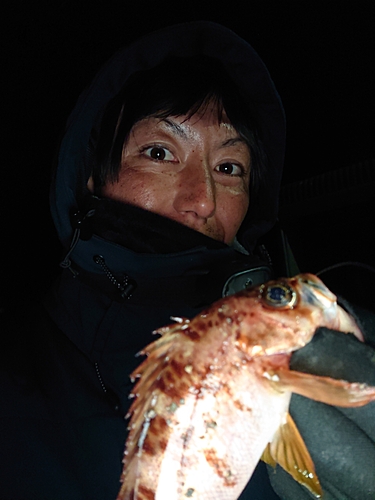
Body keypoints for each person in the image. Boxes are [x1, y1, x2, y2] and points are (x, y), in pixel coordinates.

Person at [1, 21, 374, 500]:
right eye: (159, 152)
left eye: (229, 167)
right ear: (90, 175)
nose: (202, 198)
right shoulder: (15, 375)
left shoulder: (326, 339)